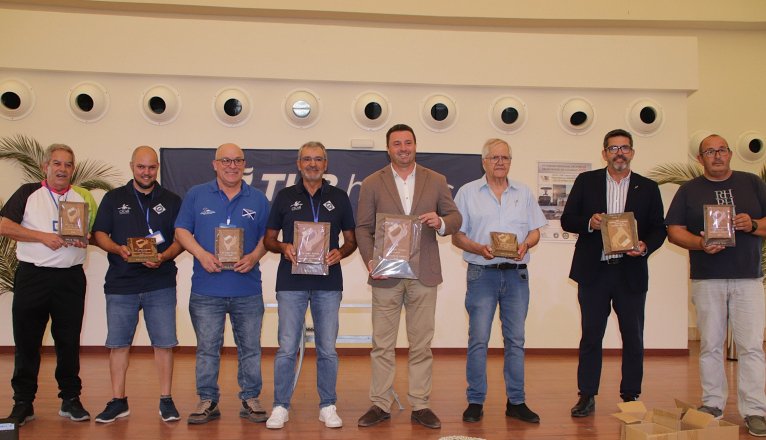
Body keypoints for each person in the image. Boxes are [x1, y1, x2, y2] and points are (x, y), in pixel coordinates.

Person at [355, 123, 461, 430]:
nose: (403, 148)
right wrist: (370, 261)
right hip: (385, 274)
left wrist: (441, 221)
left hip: (423, 273)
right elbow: (363, 227)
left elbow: (455, 217)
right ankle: (380, 403)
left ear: (415, 145)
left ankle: (421, 404)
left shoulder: (435, 180)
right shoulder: (372, 182)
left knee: (421, 344)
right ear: (388, 149)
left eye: (408, 142)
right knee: (382, 344)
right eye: (397, 143)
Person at [665, 134, 766, 437]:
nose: (717, 156)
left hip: (748, 279)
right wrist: (700, 243)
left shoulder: (752, 183)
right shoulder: (689, 190)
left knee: (751, 346)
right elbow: (674, 231)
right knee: (710, 344)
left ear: (730, 153)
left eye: (722, 150)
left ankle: (755, 410)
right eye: (710, 152)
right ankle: (712, 404)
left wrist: (753, 225)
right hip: (707, 278)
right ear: (700, 159)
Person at [561, 128, 666, 417]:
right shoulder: (586, 181)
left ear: (632, 152)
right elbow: (568, 219)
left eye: (624, 148)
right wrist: (589, 222)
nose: (619, 153)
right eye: (613, 148)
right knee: (591, 336)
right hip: (594, 272)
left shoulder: (648, 187)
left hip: (630, 273)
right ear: (604, 153)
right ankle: (587, 395)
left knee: (633, 336)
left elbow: (659, 228)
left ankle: (631, 395)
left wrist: (644, 246)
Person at [0, 143, 97, 426]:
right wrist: (42, 236)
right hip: (33, 276)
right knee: (27, 341)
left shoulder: (81, 197)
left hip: (70, 278)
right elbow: (4, 225)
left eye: (68, 164)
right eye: (57, 163)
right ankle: (23, 402)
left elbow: (93, 233)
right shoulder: (28, 193)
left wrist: (85, 238)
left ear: (73, 169)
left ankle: (71, 399)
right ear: (46, 167)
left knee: (68, 341)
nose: (62, 169)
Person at [452, 138, 547, 424]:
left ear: (510, 161)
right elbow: (457, 236)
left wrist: (527, 245)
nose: (500, 162)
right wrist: (477, 247)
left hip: (516, 275)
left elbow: (535, 231)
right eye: (494, 157)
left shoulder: (524, 192)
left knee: (516, 340)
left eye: (505, 157)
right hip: (481, 274)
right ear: (484, 161)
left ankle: (516, 402)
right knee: (478, 339)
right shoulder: (467, 192)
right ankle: (475, 401)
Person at [174, 143, 270, 425]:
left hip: (247, 289)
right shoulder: (196, 195)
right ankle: (207, 400)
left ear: (244, 165)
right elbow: (181, 230)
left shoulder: (258, 198)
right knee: (207, 349)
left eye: (238, 160)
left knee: (250, 348)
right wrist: (201, 254)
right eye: (226, 160)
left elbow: (269, 236)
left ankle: (250, 399)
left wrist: (254, 256)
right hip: (207, 289)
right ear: (215, 164)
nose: (232, 165)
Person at [263, 141, 357, 429]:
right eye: (307, 159)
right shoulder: (284, 196)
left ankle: (327, 405)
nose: (312, 164)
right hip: (290, 283)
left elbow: (351, 240)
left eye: (318, 159)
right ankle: (280, 406)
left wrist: (340, 252)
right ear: (298, 163)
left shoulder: (340, 197)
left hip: (328, 283)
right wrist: (283, 247)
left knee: (327, 348)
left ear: (325, 164)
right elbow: (269, 239)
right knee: (287, 348)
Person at [91, 146, 184, 423]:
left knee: (164, 344)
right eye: (141, 167)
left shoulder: (172, 200)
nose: (146, 172)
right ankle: (118, 401)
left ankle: (166, 400)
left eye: (151, 167)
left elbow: (181, 238)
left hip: (160, 282)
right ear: (132, 166)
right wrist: (118, 249)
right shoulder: (113, 198)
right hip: (121, 283)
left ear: (157, 168)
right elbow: (99, 233)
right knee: (118, 344)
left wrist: (164, 256)